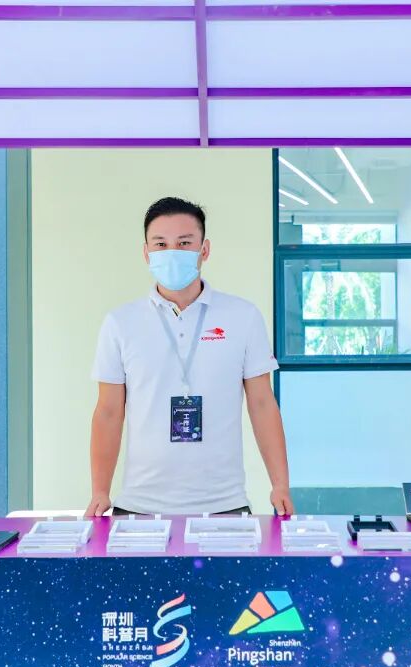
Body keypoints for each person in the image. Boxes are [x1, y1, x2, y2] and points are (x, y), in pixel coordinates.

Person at [86, 197, 294, 517]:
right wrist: (100, 490)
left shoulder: (243, 316)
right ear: (146, 253)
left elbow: (263, 403)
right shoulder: (120, 323)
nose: (172, 252)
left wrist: (280, 484)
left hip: (224, 505)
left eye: (184, 243)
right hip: (139, 506)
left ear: (204, 250)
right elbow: (109, 411)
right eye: (161, 244)